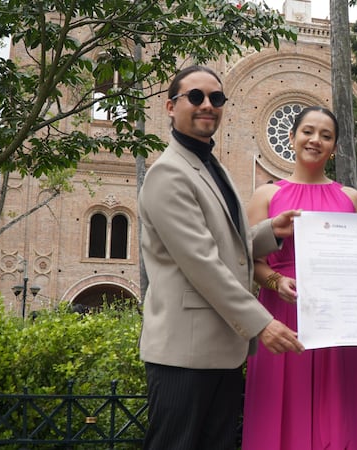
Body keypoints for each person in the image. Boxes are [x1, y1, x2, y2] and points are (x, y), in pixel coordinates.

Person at [138, 65, 305, 450]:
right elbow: (201, 262)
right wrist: (262, 323)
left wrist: (269, 233)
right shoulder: (168, 174)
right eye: (195, 97)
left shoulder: (211, 167)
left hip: (220, 352)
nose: (207, 105)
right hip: (184, 354)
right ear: (170, 106)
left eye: (216, 98)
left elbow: (225, 243)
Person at [242, 106, 357, 450]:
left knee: (339, 415)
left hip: (340, 325)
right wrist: (274, 282)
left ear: (335, 147)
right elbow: (247, 261)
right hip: (283, 316)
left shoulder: (351, 198)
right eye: (308, 132)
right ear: (292, 137)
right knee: (281, 413)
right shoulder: (266, 195)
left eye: (326, 136)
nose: (315, 140)